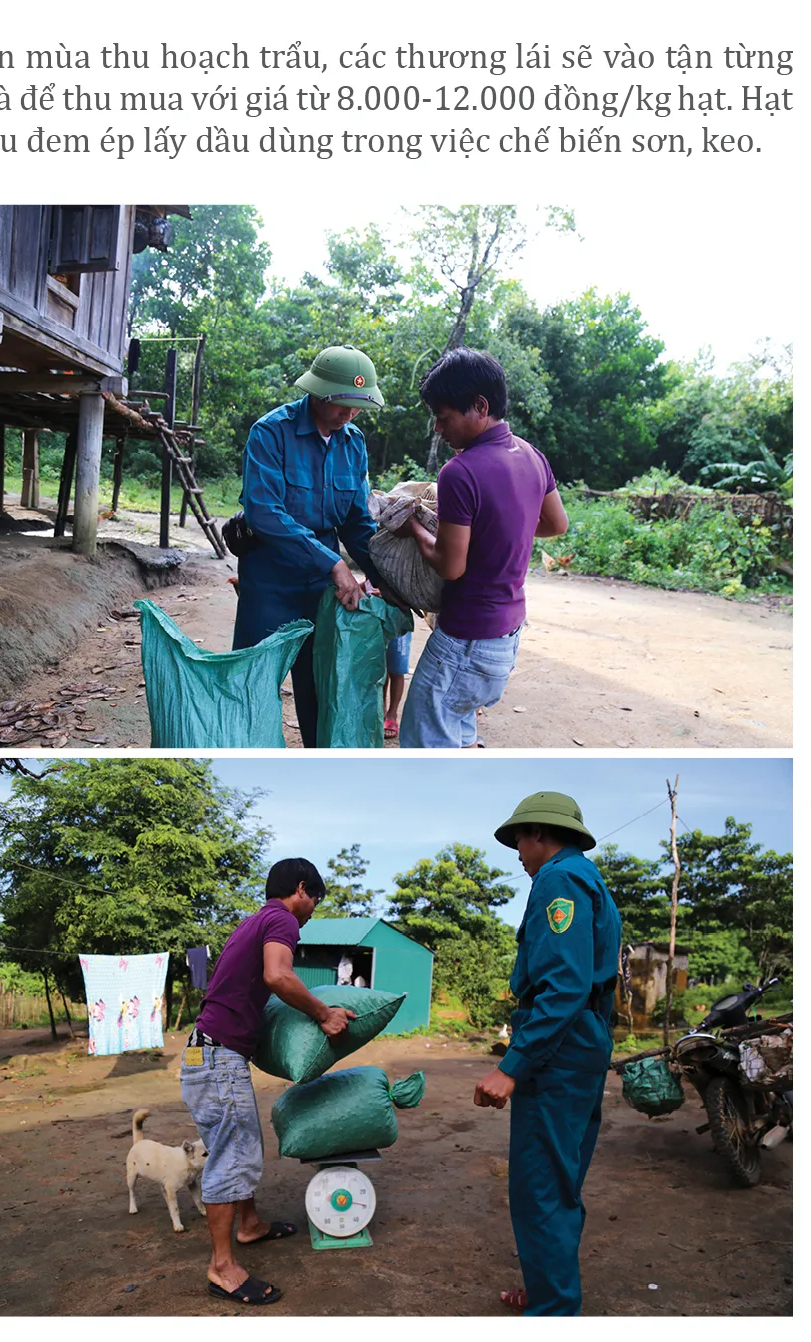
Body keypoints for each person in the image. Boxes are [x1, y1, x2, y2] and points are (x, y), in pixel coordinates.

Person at [180, 857, 356, 1307]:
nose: (314, 909)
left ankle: (250, 1224)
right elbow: (278, 975)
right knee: (233, 1156)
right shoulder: (282, 919)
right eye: (315, 899)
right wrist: (324, 1013)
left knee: (240, 1143)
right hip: (218, 1058)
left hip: (209, 1054)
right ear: (302, 889)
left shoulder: (252, 921)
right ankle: (222, 1269)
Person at [473, 791, 622, 1317]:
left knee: (540, 1189)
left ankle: (553, 1313)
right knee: (560, 1183)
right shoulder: (587, 877)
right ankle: (547, 1292)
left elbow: (563, 985)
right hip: (582, 1044)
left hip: (560, 1051)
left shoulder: (560, 881)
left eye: (519, 838)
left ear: (540, 833)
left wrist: (513, 1065)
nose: (516, 849)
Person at [397, 348, 569, 748]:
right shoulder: (532, 455)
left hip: (464, 640)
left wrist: (415, 530)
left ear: (479, 406)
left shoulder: (461, 472)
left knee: (424, 746)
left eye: (444, 417)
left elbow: (450, 567)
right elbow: (556, 524)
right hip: (505, 638)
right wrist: (503, 534)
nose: (439, 428)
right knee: (458, 731)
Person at [232, 346, 385, 747]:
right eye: (342, 406)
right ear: (318, 393)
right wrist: (334, 565)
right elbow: (264, 512)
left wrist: (386, 571)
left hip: (321, 590)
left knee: (319, 687)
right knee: (254, 682)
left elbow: (356, 521)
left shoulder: (353, 444)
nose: (349, 415)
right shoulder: (270, 433)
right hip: (270, 579)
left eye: (357, 407)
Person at [383, 630, 412, 739]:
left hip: (400, 624)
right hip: (379, 619)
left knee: (397, 669)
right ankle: (382, 708)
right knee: (381, 667)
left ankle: (392, 713)